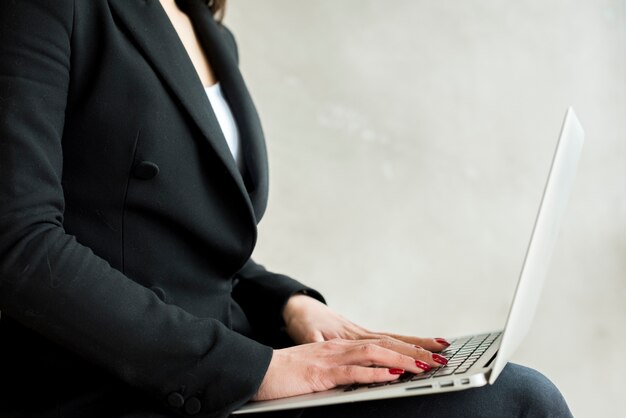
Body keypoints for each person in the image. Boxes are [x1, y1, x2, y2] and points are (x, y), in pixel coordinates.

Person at [0, 0, 573, 417]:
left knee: (509, 392)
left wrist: (291, 305)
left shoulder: (209, 30)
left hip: (239, 358)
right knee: (520, 401)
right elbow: (20, 245)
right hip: (128, 383)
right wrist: (257, 370)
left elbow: (187, 246)